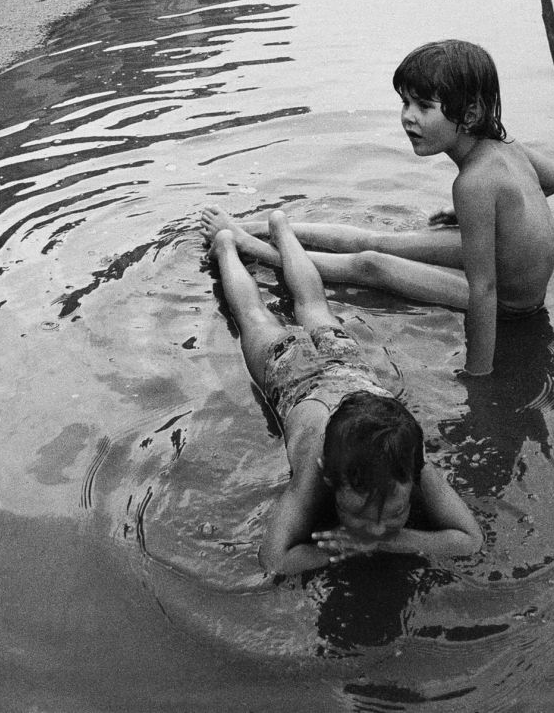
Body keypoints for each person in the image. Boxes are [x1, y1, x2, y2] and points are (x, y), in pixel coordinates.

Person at [203, 39, 554, 379]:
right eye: (405, 103)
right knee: (382, 241)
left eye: (424, 106)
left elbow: (483, 292)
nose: (408, 117)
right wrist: (483, 216)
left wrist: (478, 377)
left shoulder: (474, 183)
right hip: (508, 262)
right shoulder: (507, 145)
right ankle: (249, 226)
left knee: (373, 264)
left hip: (511, 302)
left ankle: (252, 248)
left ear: (470, 113)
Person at [201, 209, 482, 574]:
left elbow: (471, 540)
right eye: (359, 514)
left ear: (412, 476)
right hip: (290, 373)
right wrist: (344, 550)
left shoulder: (405, 457)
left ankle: (282, 230)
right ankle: (227, 247)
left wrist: (389, 542)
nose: (378, 528)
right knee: (255, 316)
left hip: (345, 364)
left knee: (313, 305)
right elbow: (274, 559)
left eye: (397, 511)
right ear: (328, 475)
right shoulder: (314, 471)